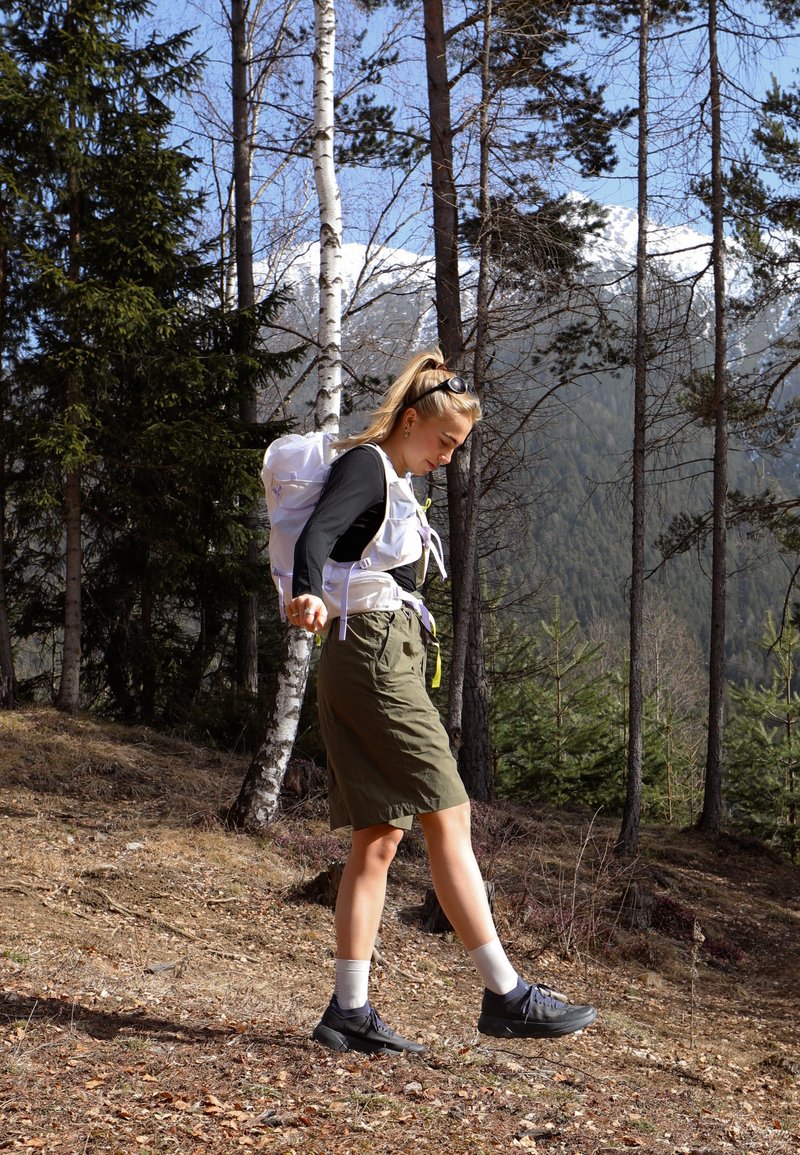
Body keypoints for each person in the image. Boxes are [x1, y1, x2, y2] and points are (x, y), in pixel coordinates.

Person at [284, 348, 597, 1054]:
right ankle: (507, 993)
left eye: (457, 448)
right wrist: (305, 588)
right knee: (447, 810)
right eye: (444, 442)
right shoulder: (367, 466)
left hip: (359, 653)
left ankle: (348, 1011)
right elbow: (318, 535)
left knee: (377, 839)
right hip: (371, 654)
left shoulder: (388, 474)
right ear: (412, 419)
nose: (447, 458)